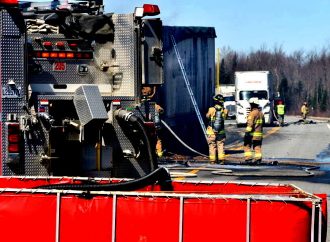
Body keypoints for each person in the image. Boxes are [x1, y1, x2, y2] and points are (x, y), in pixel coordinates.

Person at [206, 94, 228, 164]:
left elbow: (207, 116)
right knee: (220, 145)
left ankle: (213, 161)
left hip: (211, 132)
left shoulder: (211, 109)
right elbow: (225, 118)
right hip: (221, 132)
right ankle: (221, 159)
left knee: (212, 146)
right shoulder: (225, 110)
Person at [244, 98, 264, 165]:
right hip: (259, 134)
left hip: (252, 134)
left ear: (252, 104)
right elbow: (263, 123)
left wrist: (247, 133)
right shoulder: (261, 113)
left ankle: (248, 158)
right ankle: (258, 159)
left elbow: (250, 124)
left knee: (247, 146)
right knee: (257, 147)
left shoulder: (252, 113)